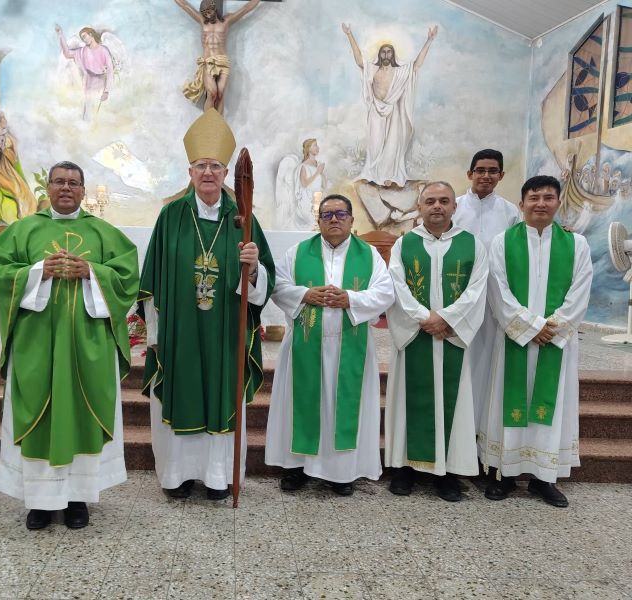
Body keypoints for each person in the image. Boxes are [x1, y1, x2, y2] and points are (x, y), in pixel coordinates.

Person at [0, 160, 139, 529]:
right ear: (48, 188)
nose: (66, 188)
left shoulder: (104, 233)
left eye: (73, 182)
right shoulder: (22, 230)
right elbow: (0, 274)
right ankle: (39, 502)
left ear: (84, 190)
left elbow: (127, 279)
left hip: (88, 345)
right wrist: (39, 271)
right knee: (37, 413)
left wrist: (92, 272)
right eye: (59, 181)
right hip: (36, 342)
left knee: (83, 413)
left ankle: (77, 499)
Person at [139, 108, 275, 500]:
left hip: (225, 332)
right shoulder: (171, 216)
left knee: (221, 392)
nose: (208, 173)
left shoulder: (243, 218)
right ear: (190, 172)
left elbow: (265, 279)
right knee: (181, 391)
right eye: (201, 166)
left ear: (226, 173)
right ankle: (177, 475)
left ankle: (219, 476)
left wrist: (253, 269)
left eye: (215, 166)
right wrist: (154, 335)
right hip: (179, 330)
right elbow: (152, 278)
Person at [265, 194, 394, 495]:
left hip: (350, 347)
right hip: (305, 346)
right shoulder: (298, 252)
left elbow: (385, 292)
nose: (334, 219)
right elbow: (277, 285)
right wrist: (305, 295)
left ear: (351, 219)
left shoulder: (369, 255)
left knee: (342, 409)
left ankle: (340, 473)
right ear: (319, 221)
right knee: (300, 405)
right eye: (327, 215)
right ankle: (296, 468)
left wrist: (351, 299)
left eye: (340, 214)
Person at [479, 175, 593, 508]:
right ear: (522, 204)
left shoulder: (577, 245)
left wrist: (552, 328)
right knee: (509, 402)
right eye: (534, 197)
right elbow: (497, 289)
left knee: (551, 407)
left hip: (555, 344)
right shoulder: (502, 242)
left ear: (558, 203)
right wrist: (530, 327)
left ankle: (544, 478)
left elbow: (580, 290)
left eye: (548, 197)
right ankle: (505, 474)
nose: (540, 203)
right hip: (514, 340)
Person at [384, 181, 488, 501]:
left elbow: (477, 289)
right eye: (430, 201)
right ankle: (404, 468)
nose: (437, 206)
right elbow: (396, 286)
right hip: (416, 336)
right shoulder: (404, 244)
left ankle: (448, 472)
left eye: (444, 200)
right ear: (420, 207)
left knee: (454, 403)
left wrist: (447, 320)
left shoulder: (472, 244)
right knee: (407, 401)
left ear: (455, 206)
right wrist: (424, 318)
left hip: (451, 338)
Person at [453, 149, 521, 430]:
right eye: (480, 170)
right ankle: (459, 425)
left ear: (501, 175)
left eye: (493, 171)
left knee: (488, 361)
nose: (486, 176)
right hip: (458, 296)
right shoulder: (453, 207)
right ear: (469, 173)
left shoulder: (511, 212)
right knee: (461, 361)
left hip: (495, 298)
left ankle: (484, 428)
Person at [342, 23, 437, 187]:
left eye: (389, 52)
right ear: (380, 54)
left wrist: (429, 40)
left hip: (394, 112)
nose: (386, 54)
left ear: (393, 55)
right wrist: (349, 34)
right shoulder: (373, 69)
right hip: (376, 111)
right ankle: (373, 174)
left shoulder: (399, 72)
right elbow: (359, 60)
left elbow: (416, 65)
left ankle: (389, 176)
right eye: (383, 52)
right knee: (375, 144)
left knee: (392, 145)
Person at [175, 0, 261, 114]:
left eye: (209, 11)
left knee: (220, 94)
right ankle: (208, 121)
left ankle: (219, 123)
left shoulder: (227, 20)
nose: (207, 15)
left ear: (214, 9)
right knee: (212, 93)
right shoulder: (202, 21)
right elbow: (185, 5)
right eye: (204, 12)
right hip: (208, 61)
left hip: (223, 61)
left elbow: (246, 8)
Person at [55, 24, 114, 120]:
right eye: (82, 38)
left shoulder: (103, 50)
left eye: (84, 36)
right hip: (89, 88)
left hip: (102, 86)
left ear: (91, 34)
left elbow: (110, 71)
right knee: (87, 115)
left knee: (103, 116)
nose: (84, 40)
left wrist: (106, 91)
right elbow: (67, 53)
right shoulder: (82, 51)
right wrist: (60, 35)